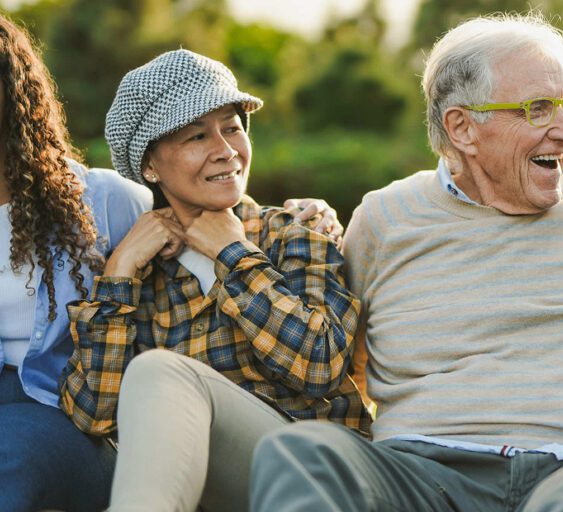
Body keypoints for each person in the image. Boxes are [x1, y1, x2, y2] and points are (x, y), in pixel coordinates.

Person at [250, 13, 563, 512]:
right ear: (462, 127)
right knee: (301, 452)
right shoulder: (385, 218)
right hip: (424, 469)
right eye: (540, 109)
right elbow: (341, 357)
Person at [58, 49, 370, 512]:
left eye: (232, 128)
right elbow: (92, 415)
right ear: (149, 167)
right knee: (156, 374)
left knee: (158, 368)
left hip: (320, 474)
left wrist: (235, 256)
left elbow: (321, 365)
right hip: (217, 487)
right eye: (196, 136)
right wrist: (120, 272)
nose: (225, 150)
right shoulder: (138, 269)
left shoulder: (294, 231)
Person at [0, 7, 149, 511]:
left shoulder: (105, 202)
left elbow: (205, 218)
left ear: (12, 89)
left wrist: (301, 212)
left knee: (12, 438)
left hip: (64, 426)